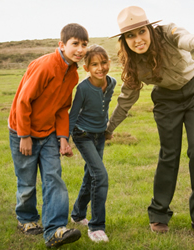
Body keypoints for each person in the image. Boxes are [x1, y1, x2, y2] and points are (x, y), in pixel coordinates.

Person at [106, 6, 194, 235]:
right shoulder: (133, 64)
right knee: (169, 154)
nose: (137, 40)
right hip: (166, 101)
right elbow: (126, 99)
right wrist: (109, 128)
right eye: (130, 35)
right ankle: (159, 213)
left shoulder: (167, 33)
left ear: (149, 28)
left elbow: (185, 38)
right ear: (124, 40)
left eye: (141, 32)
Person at [8, 23, 89, 248]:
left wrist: (63, 138)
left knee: (54, 178)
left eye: (84, 44)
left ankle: (55, 229)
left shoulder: (73, 74)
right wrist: (24, 135)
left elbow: (63, 108)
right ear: (61, 45)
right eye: (75, 44)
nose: (80, 49)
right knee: (26, 181)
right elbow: (24, 101)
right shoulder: (45, 66)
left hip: (49, 133)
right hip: (22, 131)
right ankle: (26, 219)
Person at [68, 45, 116, 242]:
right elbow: (72, 116)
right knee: (100, 175)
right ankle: (96, 227)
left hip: (99, 136)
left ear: (109, 63)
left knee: (90, 175)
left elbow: (104, 109)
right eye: (94, 64)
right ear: (86, 68)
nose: (100, 68)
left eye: (103, 63)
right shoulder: (83, 88)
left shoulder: (111, 83)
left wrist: (107, 129)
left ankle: (78, 215)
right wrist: (65, 140)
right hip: (83, 134)